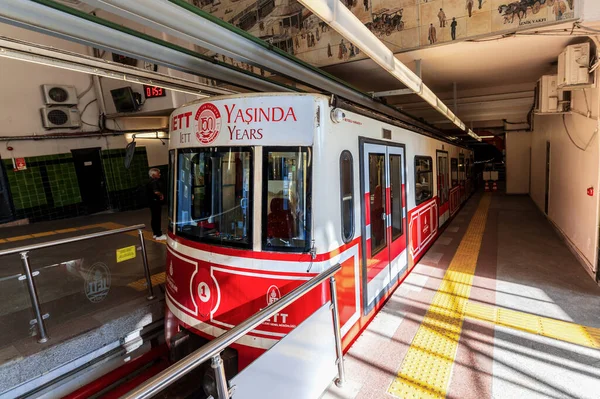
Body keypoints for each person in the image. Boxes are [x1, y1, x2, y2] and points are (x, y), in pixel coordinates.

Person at [147, 168, 167, 240]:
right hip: (155, 202)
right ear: (153, 175)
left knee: (154, 218)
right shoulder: (154, 182)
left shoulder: (149, 181)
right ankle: (159, 234)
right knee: (157, 218)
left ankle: (155, 233)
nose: (160, 174)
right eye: (158, 173)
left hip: (151, 202)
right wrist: (161, 194)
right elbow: (156, 191)